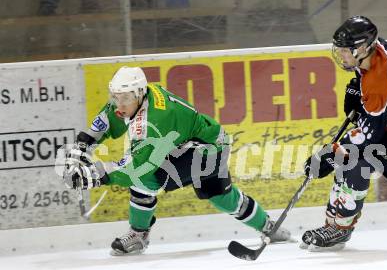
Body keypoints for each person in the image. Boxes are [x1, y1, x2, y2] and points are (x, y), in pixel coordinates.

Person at [62, 66, 291, 256]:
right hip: (190, 143)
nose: (119, 104)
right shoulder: (133, 96)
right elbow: (104, 122)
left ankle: (139, 234)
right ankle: (268, 226)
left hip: (208, 149)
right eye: (116, 97)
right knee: (222, 196)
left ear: (140, 93)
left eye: (125, 99)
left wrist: (93, 174)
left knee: (147, 179)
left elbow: (137, 167)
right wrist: (81, 148)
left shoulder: (156, 119)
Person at [300, 16, 387, 251]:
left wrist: (329, 154)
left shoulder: (378, 84)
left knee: (358, 162)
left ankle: (341, 229)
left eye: (345, 51)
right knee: (346, 154)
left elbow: (368, 137)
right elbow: (372, 82)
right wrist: (357, 86)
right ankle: (332, 221)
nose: (341, 55)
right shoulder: (377, 48)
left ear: (363, 48)